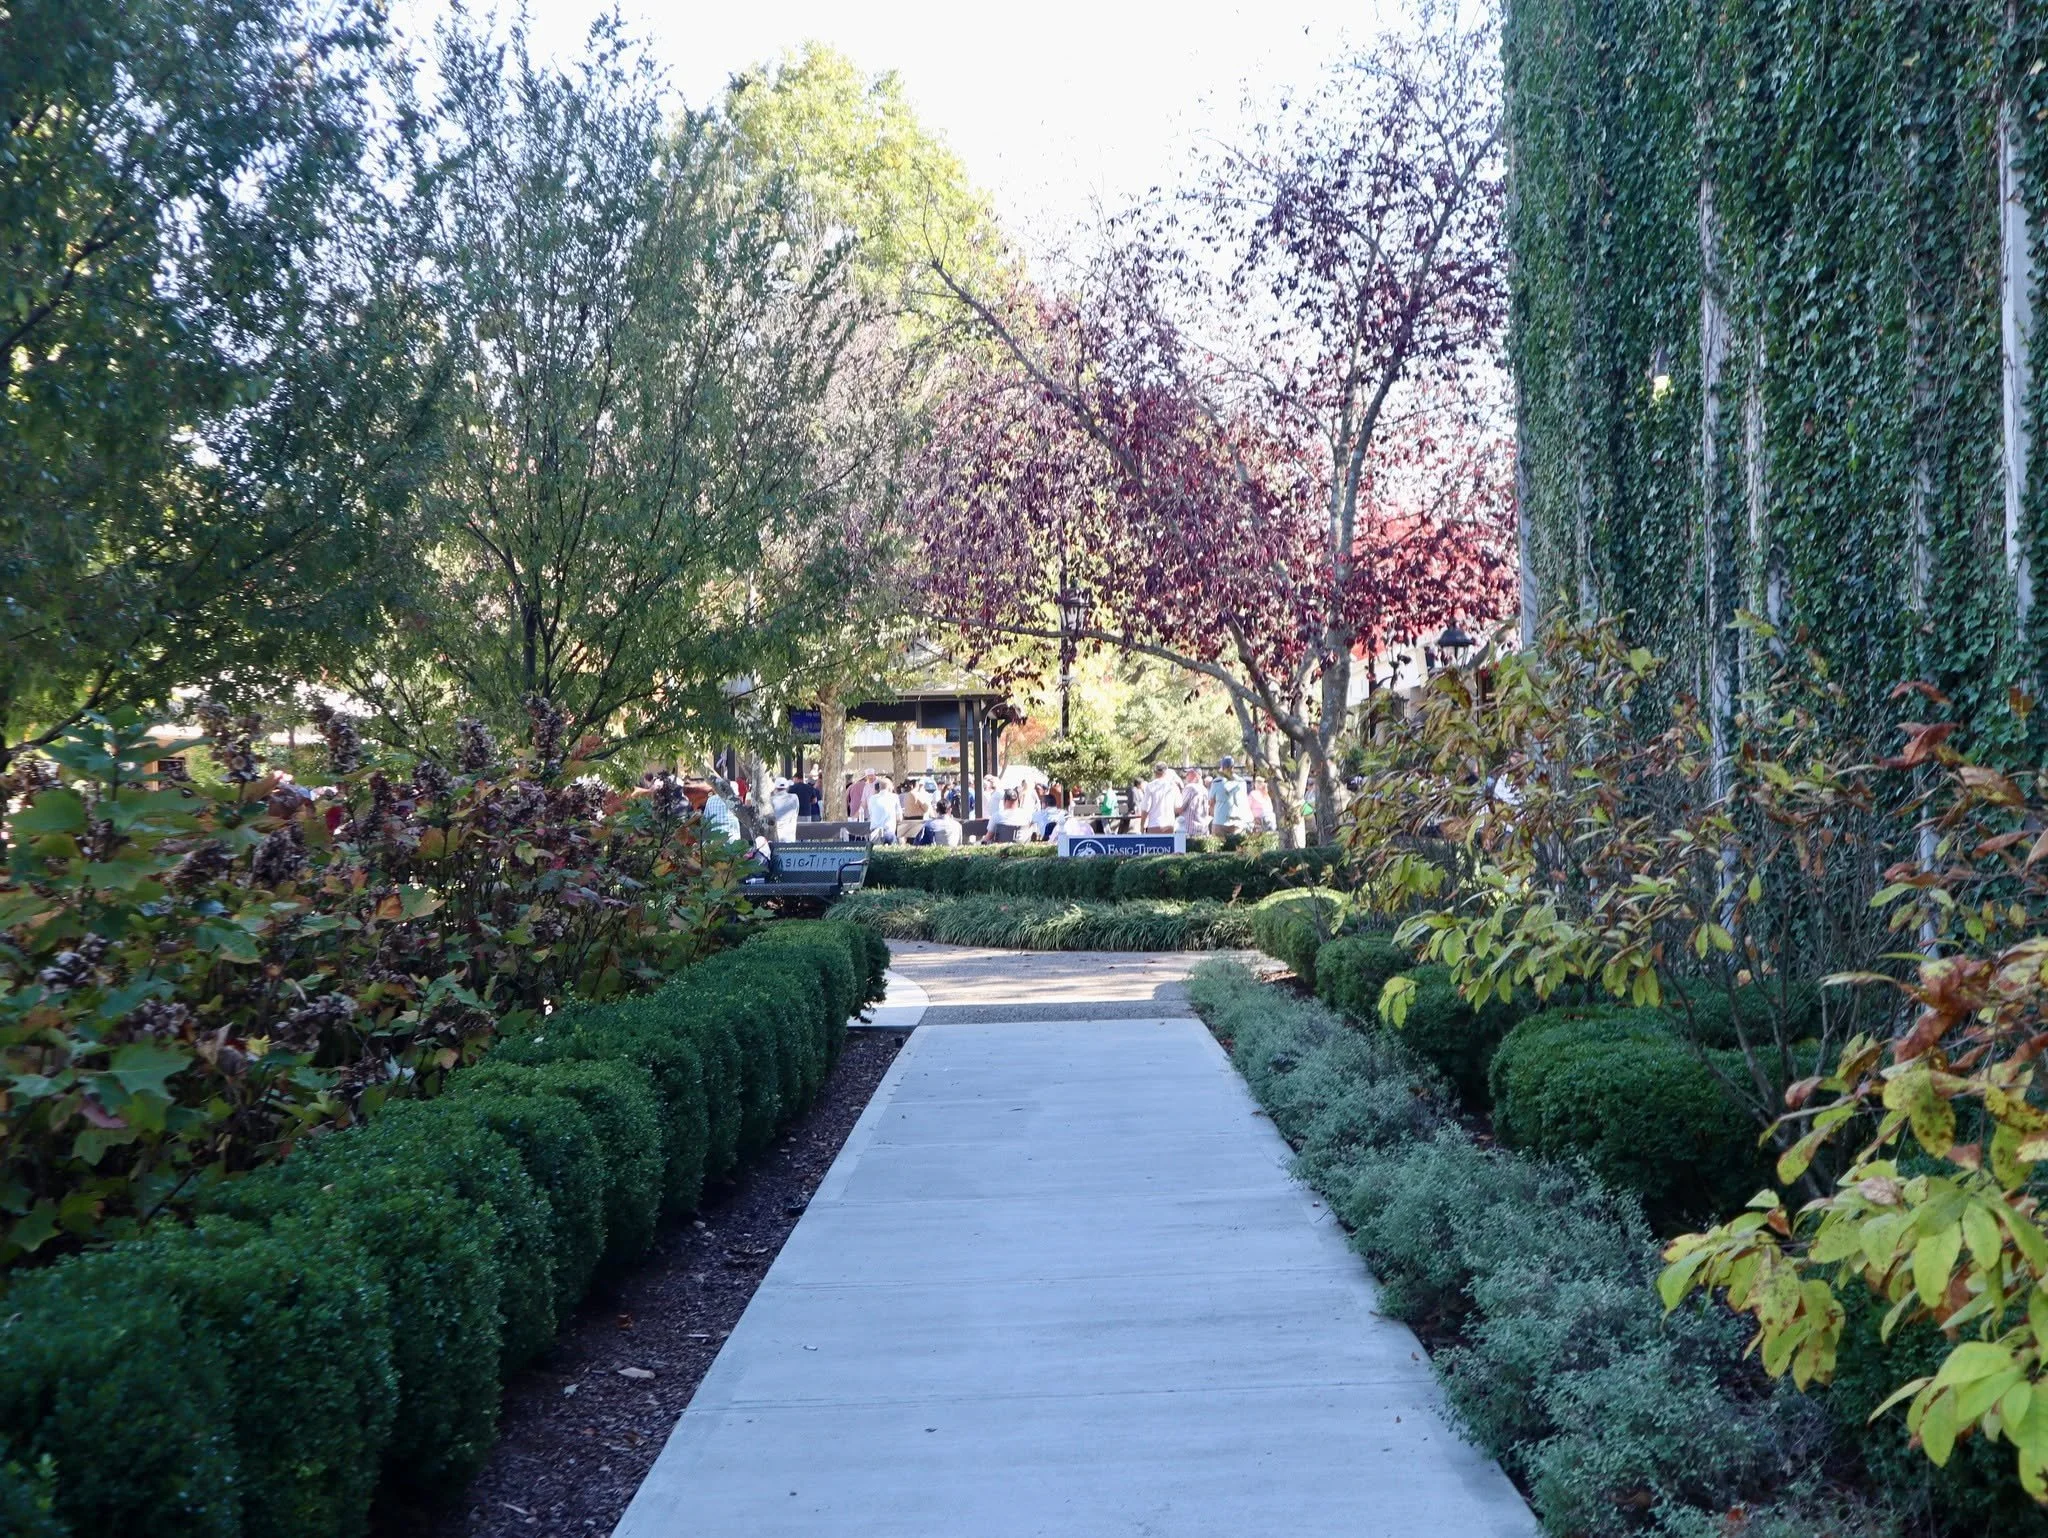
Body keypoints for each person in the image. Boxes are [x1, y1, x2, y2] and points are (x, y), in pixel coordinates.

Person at [1209, 755, 1251, 837]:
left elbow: (1211, 802)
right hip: (1237, 821)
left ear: (1222, 767)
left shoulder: (1217, 782)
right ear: (1233, 767)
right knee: (1237, 847)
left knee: (1218, 847)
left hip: (1220, 821)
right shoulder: (1241, 782)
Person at [1141, 764, 1180, 834]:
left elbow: (1145, 808)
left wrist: (1142, 825)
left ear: (1155, 772)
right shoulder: (1173, 786)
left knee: (1153, 845)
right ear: (1166, 772)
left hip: (1154, 824)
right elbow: (1178, 806)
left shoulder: (1150, 786)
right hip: (1169, 824)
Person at [865, 775, 902, 844]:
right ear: (889, 787)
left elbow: (871, 814)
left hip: (874, 834)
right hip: (888, 832)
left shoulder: (872, 798)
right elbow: (899, 818)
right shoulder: (894, 797)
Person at [1177, 767, 1208, 840]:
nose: (1186, 775)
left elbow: (1180, 808)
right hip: (1203, 829)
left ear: (1195, 775)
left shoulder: (1190, 787)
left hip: (1190, 830)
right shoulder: (1204, 789)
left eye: (1188, 773)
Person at [769, 777, 800, 843]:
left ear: (775, 788)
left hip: (777, 834)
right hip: (790, 835)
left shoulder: (771, 800)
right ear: (787, 787)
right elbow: (797, 811)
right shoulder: (794, 797)